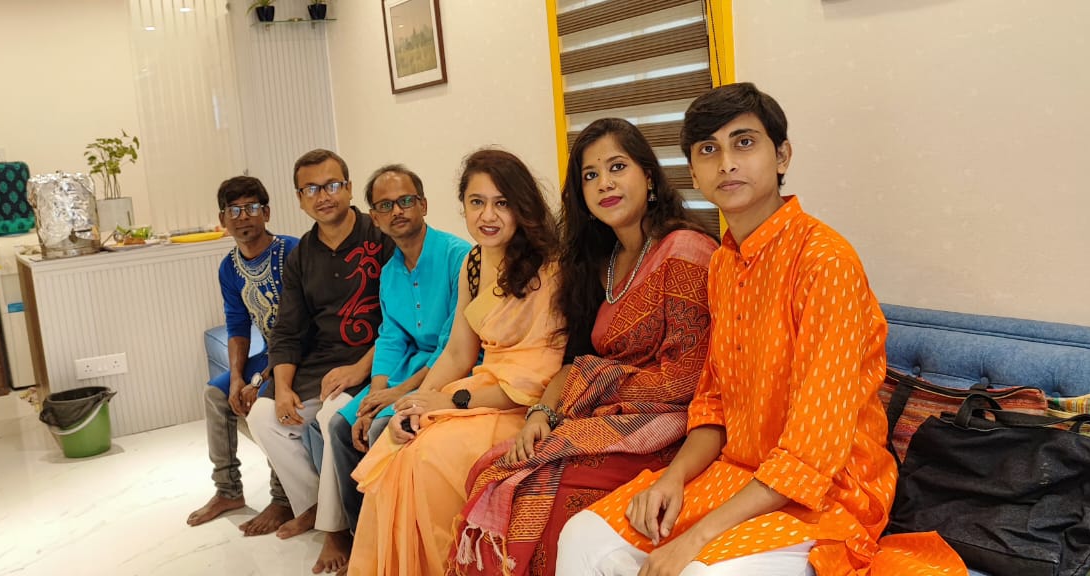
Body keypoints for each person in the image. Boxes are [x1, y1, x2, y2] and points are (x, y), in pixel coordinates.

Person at [556, 84, 964, 575]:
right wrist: (673, 479)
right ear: (694, 174)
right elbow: (712, 403)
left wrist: (698, 538)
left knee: (696, 571)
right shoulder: (723, 265)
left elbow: (811, 454)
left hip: (827, 495)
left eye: (744, 143)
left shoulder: (824, 263)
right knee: (582, 536)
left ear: (782, 155)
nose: (726, 163)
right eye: (709, 150)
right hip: (736, 478)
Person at [450, 118, 718, 575]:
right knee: (494, 471)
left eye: (617, 167)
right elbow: (576, 360)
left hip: (672, 431)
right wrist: (541, 415)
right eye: (590, 175)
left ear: (648, 176)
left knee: (546, 493)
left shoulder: (685, 251)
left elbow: (685, 380)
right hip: (606, 420)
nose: (604, 183)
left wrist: (595, 389)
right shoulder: (598, 263)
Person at [347, 149, 566, 576]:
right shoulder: (474, 261)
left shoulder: (551, 267)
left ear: (522, 206)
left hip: (518, 404)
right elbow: (457, 353)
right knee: (396, 446)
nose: (488, 215)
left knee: (426, 460)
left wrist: (450, 402)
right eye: (476, 202)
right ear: (462, 205)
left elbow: (539, 374)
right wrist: (419, 400)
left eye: (502, 203)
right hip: (479, 389)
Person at [303, 164, 471, 574]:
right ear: (374, 218)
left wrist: (395, 396)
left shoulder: (458, 256)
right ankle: (365, 541)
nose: (397, 211)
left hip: (453, 368)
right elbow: (391, 337)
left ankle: (392, 545)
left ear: (423, 205)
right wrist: (375, 394)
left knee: (381, 429)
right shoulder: (391, 271)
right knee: (339, 427)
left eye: (405, 201)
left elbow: (453, 343)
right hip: (407, 369)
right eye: (385, 205)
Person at [245, 149, 395, 542]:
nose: (322, 196)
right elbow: (288, 329)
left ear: (348, 188)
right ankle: (314, 505)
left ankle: (337, 529)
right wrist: (282, 387)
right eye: (310, 189)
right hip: (321, 362)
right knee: (263, 416)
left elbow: (399, 323)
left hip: (376, 359)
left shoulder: (381, 238)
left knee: (332, 417)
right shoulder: (301, 256)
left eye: (331, 185)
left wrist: (360, 369)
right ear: (299, 199)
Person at [186, 176, 300, 536]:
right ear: (223, 219)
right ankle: (228, 491)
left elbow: (306, 323)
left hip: (303, 355)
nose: (243, 217)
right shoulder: (229, 267)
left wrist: (260, 379)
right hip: (268, 355)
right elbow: (237, 326)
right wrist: (237, 378)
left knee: (264, 400)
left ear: (266, 212)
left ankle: (283, 498)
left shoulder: (292, 252)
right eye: (233, 210)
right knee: (215, 393)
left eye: (251, 207)